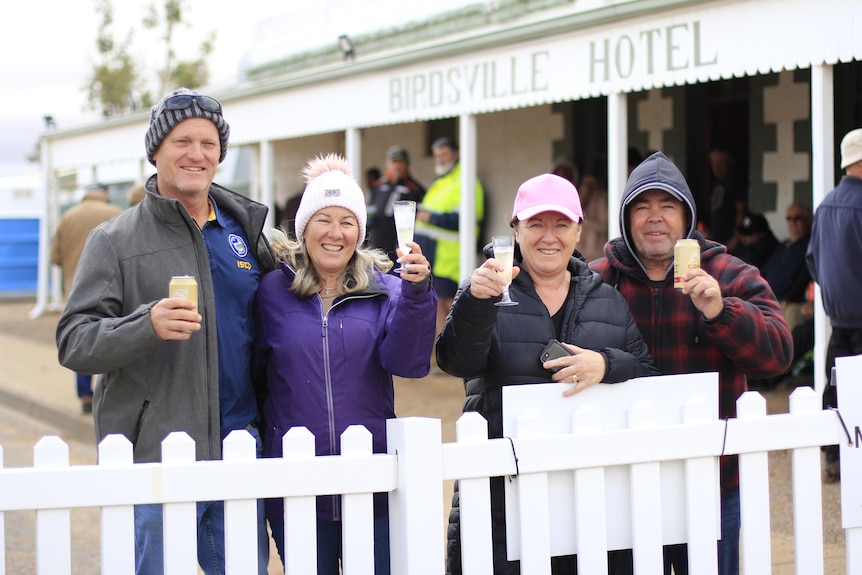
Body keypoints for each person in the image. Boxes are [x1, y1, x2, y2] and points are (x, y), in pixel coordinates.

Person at [55, 88, 275, 574]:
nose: (196, 154)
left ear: (220, 155)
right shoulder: (113, 240)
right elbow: (73, 340)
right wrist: (145, 325)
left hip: (239, 445)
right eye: (182, 141)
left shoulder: (248, 234)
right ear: (155, 150)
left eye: (209, 144)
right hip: (155, 454)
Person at [437, 172, 657, 575]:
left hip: (588, 495)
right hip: (501, 496)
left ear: (578, 231)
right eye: (536, 224)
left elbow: (647, 374)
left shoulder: (607, 299)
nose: (548, 236)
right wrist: (476, 303)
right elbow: (456, 362)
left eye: (561, 225)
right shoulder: (484, 288)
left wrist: (606, 365)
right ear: (515, 230)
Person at [590, 151, 792, 575]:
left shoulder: (730, 273)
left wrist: (723, 311)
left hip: (714, 484)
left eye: (667, 205)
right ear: (626, 218)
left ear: (688, 216)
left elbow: (777, 355)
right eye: (642, 206)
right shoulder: (597, 281)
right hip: (625, 482)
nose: (654, 217)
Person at [253, 153, 437, 574]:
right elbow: (257, 376)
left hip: (370, 487)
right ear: (303, 228)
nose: (335, 233)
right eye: (323, 219)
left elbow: (407, 362)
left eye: (347, 221)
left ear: (360, 231)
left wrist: (417, 293)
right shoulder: (271, 291)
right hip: (296, 486)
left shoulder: (387, 289)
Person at [806, 127, 862, 484]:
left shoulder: (826, 205)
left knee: (836, 389)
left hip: (838, 318)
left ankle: (833, 457)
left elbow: (812, 260)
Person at [49, 181, 122, 413]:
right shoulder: (117, 214)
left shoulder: (67, 217)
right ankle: (113, 392)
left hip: (76, 287)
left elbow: (55, 256)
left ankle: (85, 396)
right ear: (105, 195)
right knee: (116, 337)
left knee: (81, 339)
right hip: (114, 288)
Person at [415, 137, 485, 334]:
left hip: (450, 258)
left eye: (444, 154)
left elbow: (469, 218)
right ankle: (440, 354)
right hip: (434, 257)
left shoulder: (465, 181)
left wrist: (433, 218)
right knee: (436, 305)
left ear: (456, 155)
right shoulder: (442, 181)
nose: (440, 159)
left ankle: (448, 354)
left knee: (447, 307)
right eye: (437, 156)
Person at [367, 145, 426, 263]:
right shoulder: (378, 186)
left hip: (399, 250)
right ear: (387, 163)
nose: (397, 166)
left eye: (401, 162)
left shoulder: (415, 189)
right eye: (394, 162)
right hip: (376, 248)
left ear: (407, 165)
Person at [761, 203, 812, 331]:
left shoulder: (810, 246)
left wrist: (789, 299)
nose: (793, 222)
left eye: (798, 218)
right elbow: (766, 272)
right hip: (771, 299)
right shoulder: (782, 246)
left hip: (792, 302)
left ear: (808, 220)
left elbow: (803, 277)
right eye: (789, 218)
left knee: (790, 313)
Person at [708, 149, 748, 248]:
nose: (717, 168)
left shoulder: (735, 181)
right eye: (714, 165)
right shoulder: (718, 182)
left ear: (729, 163)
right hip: (717, 237)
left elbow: (741, 209)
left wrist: (736, 236)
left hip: (730, 239)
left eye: (720, 164)